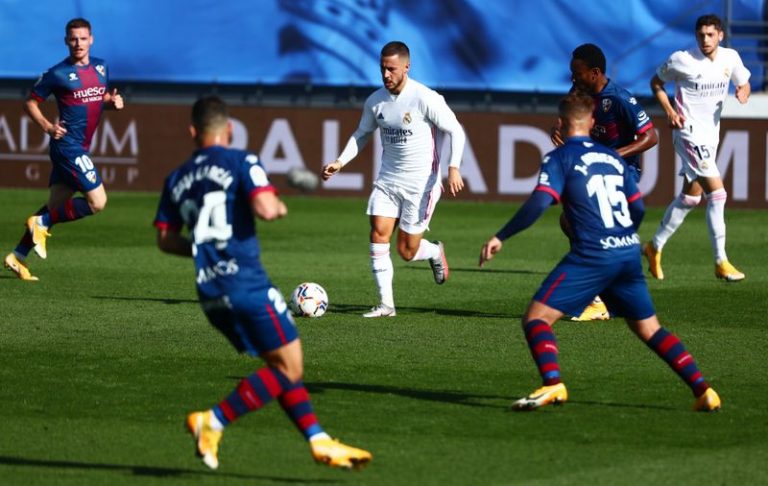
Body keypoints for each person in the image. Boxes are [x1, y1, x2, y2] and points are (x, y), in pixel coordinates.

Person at [154, 96, 372, 470]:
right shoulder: (242, 161)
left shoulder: (175, 179)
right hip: (246, 285)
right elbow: (267, 209)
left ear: (192, 132)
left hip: (208, 293)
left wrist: (205, 246)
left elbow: (164, 240)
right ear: (231, 130)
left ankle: (318, 440)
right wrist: (280, 205)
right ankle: (214, 420)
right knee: (289, 367)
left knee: (280, 365)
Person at [479, 92, 720, 412]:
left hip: (593, 254)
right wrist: (621, 236)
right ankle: (704, 391)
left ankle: (553, 384)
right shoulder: (612, 158)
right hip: (626, 252)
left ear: (561, 124)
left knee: (536, 318)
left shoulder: (560, 158)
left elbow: (540, 202)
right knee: (650, 329)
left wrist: (501, 236)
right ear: (592, 123)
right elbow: (638, 208)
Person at [322, 41, 466, 318]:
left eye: (391, 69)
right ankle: (386, 305)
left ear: (406, 67)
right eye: (382, 69)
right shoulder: (376, 101)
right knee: (378, 233)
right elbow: (362, 134)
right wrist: (340, 161)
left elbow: (455, 130)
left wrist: (454, 167)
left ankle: (435, 251)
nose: (386, 75)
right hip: (388, 180)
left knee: (406, 251)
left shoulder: (425, 98)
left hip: (420, 184)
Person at [3, 18, 124, 281]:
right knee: (98, 202)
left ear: (91, 39)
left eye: (82, 38)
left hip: (79, 146)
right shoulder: (57, 73)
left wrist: (111, 102)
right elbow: (30, 103)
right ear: (66, 41)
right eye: (73, 39)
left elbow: (96, 97)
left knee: (55, 206)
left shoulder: (101, 67)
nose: (78, 43)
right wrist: (47, 126)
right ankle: (41, 224)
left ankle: (18, 255)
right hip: (68, 147)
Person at [552, 43, 658, 321]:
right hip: (593, 172)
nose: (572, 78)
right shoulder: (580, 92)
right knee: (571, 222)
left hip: (621, 175)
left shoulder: (619, 99)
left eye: (577, 72)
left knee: (582, 225)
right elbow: (567, 116)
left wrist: (612, 155)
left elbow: (651, 137)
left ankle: (598, 299)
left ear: (595, 73)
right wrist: (561, 128)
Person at [643, 14, 750, 282]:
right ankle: (720, 261)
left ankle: (653, 246)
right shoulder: (683, 59)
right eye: (701, 35)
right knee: (718, 193)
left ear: (720, 36)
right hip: (687, 133)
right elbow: (656, 83)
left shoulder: (730, 58)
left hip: (710, 136)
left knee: (691, 197)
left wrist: (743, 92)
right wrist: (669, 111)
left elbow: (743, 82)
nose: (705, 40)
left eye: (710, 35)